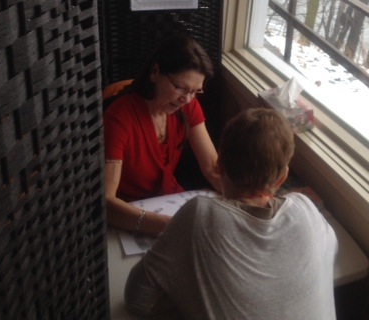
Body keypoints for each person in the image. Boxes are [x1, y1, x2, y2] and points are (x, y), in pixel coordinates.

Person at [124, 108, 339, 320]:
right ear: (282, 178)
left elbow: (137, 300)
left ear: (219, 165)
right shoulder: (306, 209)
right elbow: (330, 254)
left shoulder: (200, 216)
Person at [104, 35, 222, 236]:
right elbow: (106, 201)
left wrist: (245, 201)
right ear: (155, 72)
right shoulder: (120, 117)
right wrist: (167, 226)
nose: (187, 99)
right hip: (129, 215)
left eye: (195, 91)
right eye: (180, 87)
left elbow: (212, 167)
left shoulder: (188, 106)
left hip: (171, 205)